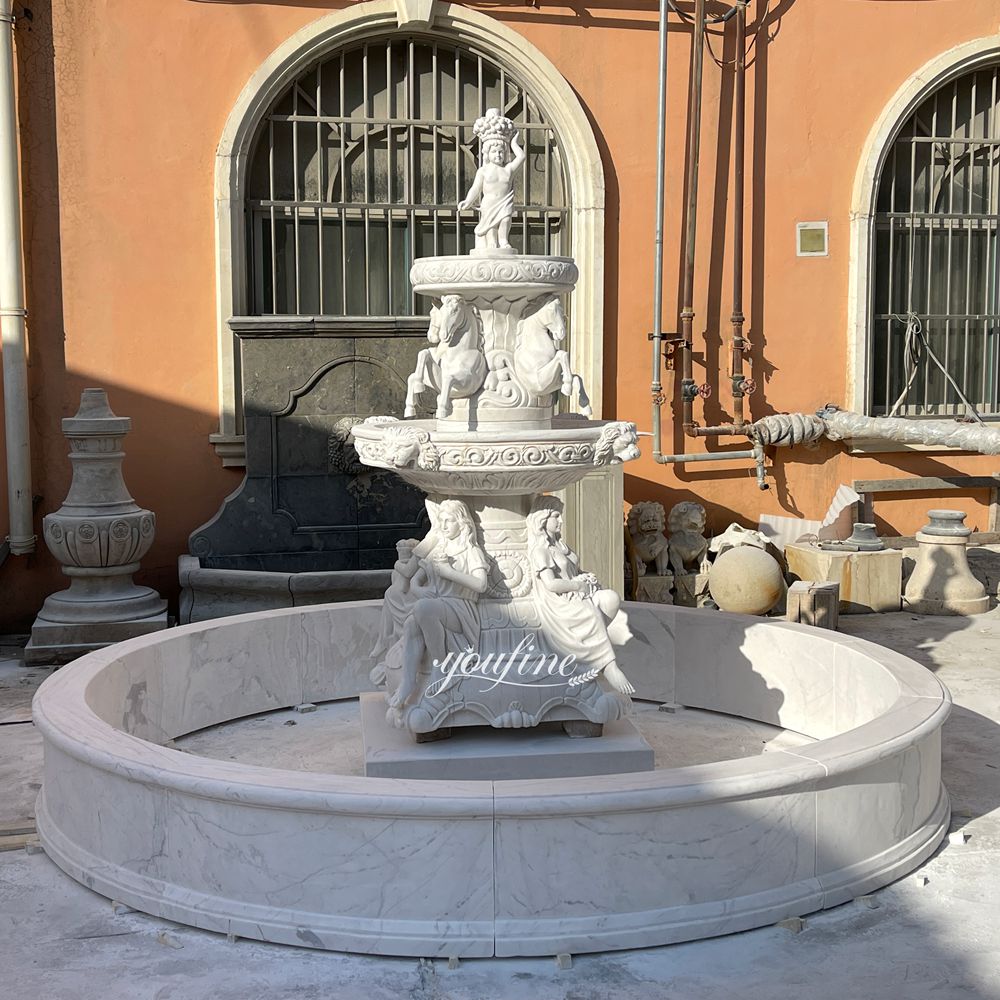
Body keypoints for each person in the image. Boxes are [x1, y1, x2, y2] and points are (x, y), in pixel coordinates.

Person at [526, 497, 635, 695]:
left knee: (610, 598)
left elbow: (571, 570)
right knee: (590, 613)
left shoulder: (560, 545)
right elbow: (551, 584)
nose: (560, 521)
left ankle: (586, 654)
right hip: (559, 600)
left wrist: (583, 575)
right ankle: (608, 665)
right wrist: (577, 585)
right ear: (542, 519)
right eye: (556, 516)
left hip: (576, 590)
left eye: (560, 516)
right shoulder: (540, 550)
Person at [389, 500, 490, 710]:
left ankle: (441, 668)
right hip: (437, 606)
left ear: (462, 523)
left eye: (449, 521)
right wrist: (420, 590)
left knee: (422, 609)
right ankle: (408, 681)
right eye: (441, 521)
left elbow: (481, 584)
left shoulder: (470, 551)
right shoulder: (439, 550)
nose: (443, 525)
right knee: (410, 624)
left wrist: (449, 572)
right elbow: (415, 580)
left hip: (461, 609)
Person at [458, 108, 526, 252]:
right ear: (487, 153)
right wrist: (468, 201)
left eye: (501, 151)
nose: (498, 154)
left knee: (506, 220)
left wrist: (514, 143)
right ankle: (492, 243)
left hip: (504, 201)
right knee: (491, 226)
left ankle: (504, 240)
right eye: (494, 152)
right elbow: (476, 188)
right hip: (489, 203)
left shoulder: (508, 170)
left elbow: (521, 157)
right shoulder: (483, 171)